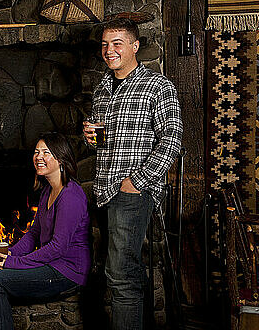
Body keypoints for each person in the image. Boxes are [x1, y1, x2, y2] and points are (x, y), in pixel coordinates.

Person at [84, 18, 182, 330]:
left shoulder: (157, 85)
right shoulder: (102, 89)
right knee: (121, 271)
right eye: (104, 44)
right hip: (103, 190)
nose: (108, 50)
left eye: (116, 43)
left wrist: (135, 182)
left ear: (134, 46)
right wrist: (91, 137)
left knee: (121, 275)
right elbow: (102, 143)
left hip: (131, 192)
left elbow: (172, 138)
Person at [0, 132, 90, 330]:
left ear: (61, 158)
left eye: (46, 152)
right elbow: (33, 234)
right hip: (51, 264)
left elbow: (58, 248)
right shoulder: (48, 190)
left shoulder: (71, 196)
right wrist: (11, 252)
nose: (39, 157)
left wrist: (14, 262)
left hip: (67, 272)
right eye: (36, 152)